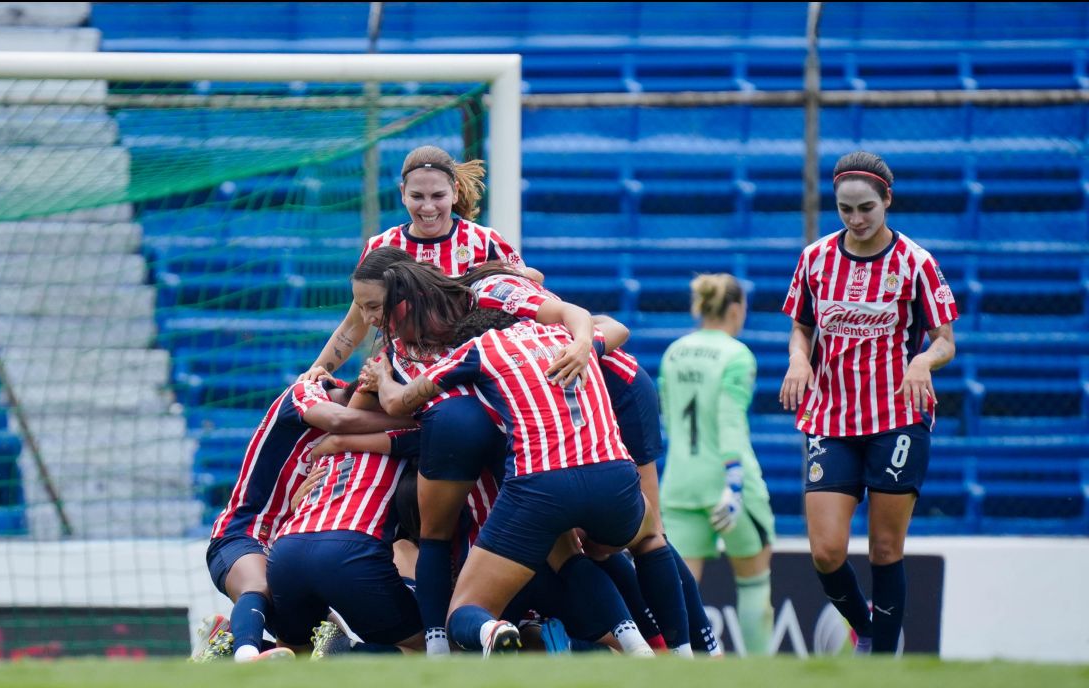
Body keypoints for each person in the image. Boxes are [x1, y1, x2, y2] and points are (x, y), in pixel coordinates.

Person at [367, 274, 695, 657]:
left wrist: (382, 376)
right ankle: (677, 652)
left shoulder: (479, 349)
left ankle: (490, 630)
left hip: (541, 487)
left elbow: (398, 403)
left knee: (466, 609)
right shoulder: (566, 337)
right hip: (613, 477)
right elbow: (617, 327)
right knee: (649, 537)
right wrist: (584, 340)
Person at [779, 151, 958, 655]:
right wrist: (799, 359)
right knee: (826, 551)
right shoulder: (815, 259)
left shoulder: (916, 263)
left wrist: (924, 361)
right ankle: (869, 629)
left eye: (866, 209)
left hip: (897, 418)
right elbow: (802, 328)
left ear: (887, 202)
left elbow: (945, 339)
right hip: (832, 418)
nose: (855, 220)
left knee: (884, 547)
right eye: (845, 209)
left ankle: (882, 659)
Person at [191, 377, 416, 663]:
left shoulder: (347, 436)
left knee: (313, 648)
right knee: (260, 586)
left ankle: (222, 646)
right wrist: (414, 420)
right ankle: (245, 654)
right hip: (244, 533)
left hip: (292, 542)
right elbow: (340, 420)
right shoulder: (306, 392)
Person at [301, 144, 528, 381]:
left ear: (455, 192)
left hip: (472, 372)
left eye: (438, 195)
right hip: (402, 371)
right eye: (417, 196)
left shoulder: (485, 241)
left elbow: (526, 296)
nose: (428, 206)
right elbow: (354, 324)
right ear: (402, 194)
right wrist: (315, 373)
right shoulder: (382, 245)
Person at [659, 273, 775, 656]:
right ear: (737, 310)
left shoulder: (674, 352)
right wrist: (735, 480)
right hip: (730, 486)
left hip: (681, 484)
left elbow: (666, 417)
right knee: (753, 582)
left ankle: (681, 675)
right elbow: (729, 420)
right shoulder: (737, 354)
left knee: (678, 592)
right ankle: (759, 676)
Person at [265, 426, 426, 657]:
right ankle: (347, 653)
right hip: (348, 549)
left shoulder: (330, 443)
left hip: (287, 548)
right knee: (423, 649)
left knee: (295, 654)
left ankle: (231, 648)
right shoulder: (408, 434)